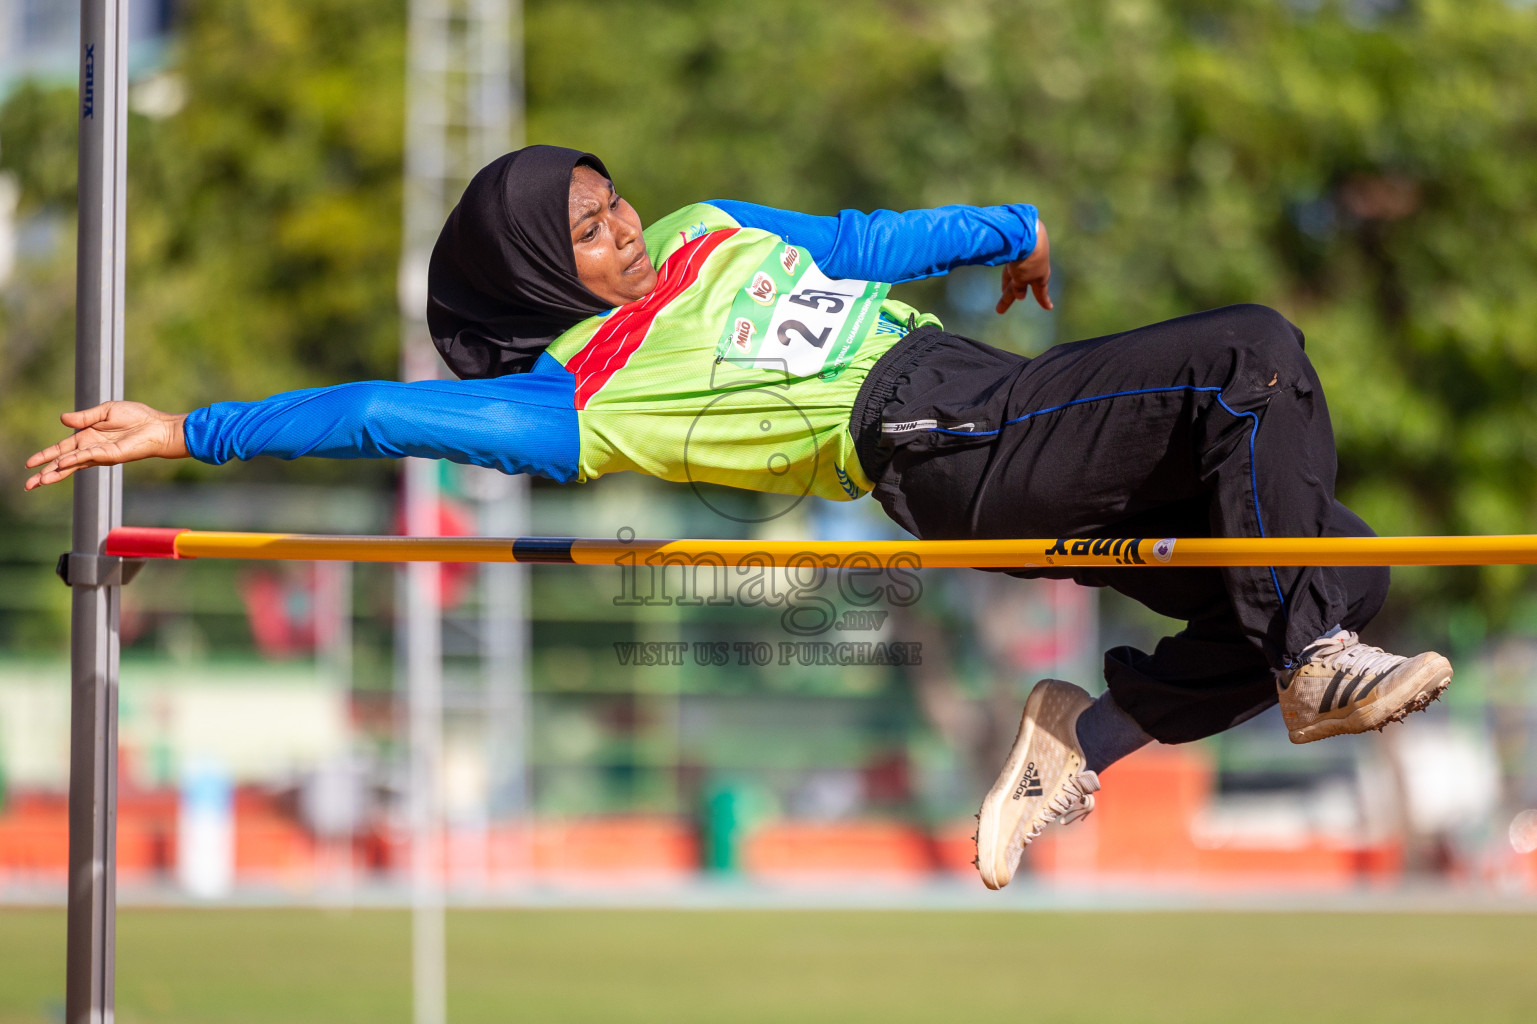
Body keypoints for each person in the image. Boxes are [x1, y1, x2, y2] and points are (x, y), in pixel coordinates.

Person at [25, 144, 1452, 890]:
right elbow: (379, 411)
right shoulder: (570, 397)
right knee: (1247, 347)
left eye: (611, 200)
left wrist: (1009, 227)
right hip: (935, 441)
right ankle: (1306, 671)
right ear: (541, 281)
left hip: (1006, 414)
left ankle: (1088, 730)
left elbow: (862, 245)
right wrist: (191, 431)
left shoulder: (711, 231)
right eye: (587, 232)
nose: (625, 228)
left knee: (1337, 565)